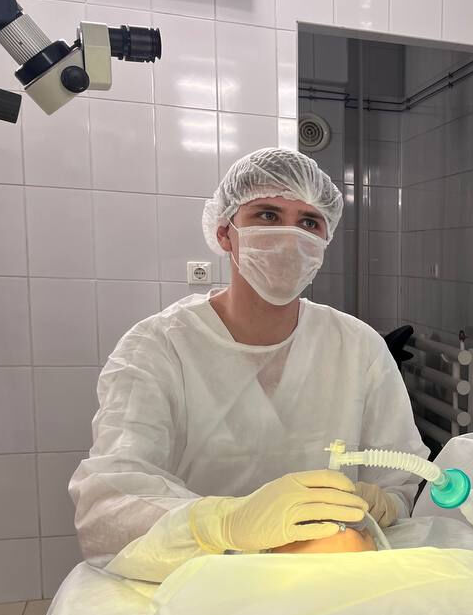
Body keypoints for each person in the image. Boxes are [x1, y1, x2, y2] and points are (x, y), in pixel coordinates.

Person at [69, 147, 427, 578]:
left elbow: (399, 478)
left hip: (328, 579)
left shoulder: (358, 347)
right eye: (268, 216)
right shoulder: (159, 347)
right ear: (225, 233)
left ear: (324, 241)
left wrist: (386, 502)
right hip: (198, 582)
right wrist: (224, 524)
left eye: (309, 222)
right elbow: (109, 504)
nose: (290, 238)